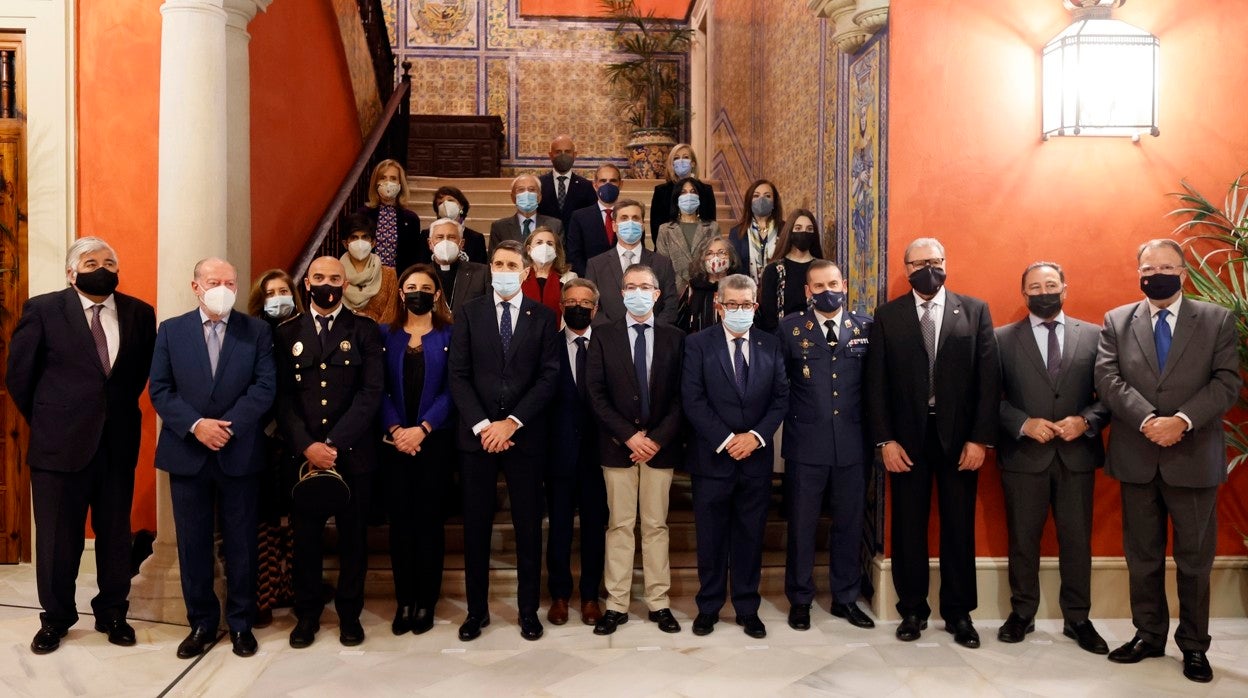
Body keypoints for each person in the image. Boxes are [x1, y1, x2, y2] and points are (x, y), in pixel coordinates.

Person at [1094, 239, 1240, 684]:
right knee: (1142, 555)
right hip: (1136, 455)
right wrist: (1147, 421)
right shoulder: (1118, 320)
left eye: (1165, 266)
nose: (1155, 273)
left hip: (1193, 456)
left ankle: (1195, 647)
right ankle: (1149, 634)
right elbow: (1107, 377)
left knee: (1195, 560)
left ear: (1184, 272)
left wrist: (1181, 420)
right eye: (1147, 266)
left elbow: (1227, 381)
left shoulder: (1216, 320)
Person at [6, 237, 156, 655]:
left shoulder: (140, 313)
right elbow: (19, 376)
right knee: (57, 539)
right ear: (72, 272)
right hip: (58, 447)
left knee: (114, 536)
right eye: (91, 261)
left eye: (109, 260)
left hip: (117, 445)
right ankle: (56, 618)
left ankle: (112, 612)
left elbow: (136, 375)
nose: (102, 267)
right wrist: (53, 419)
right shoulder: (43, 309)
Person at [865, 237, 999, 648]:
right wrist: (884, 440)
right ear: (906, 269)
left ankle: (959, 614)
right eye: (920, 262)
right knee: (908, 526)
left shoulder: (974, 311)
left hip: (960, 440)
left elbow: (988, 381)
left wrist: (981, 439)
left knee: (959, 526)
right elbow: (876, 384)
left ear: (946, 263)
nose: (929, 267)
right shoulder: (887, 316)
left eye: (936, 260)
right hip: (906, 440)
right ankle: (912, 609)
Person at [148, 257, 277, 659]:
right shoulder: (171, 331)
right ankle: (201, 623)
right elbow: (160, 389)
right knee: (193, 545)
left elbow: (264, 386)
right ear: (196, 286)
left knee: (241, 543)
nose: (223, 287)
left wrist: (228, 426)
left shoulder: (256, 331)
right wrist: (197, 425)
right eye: (214, 281)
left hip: (240, 453)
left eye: (230, 281)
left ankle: (241, 624)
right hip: (187, 453)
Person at [448, 240, 561, 642]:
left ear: (527, 270)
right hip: (476, 438)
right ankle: (476, 612)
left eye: (511, 263)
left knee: (528, 527)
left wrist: (511, 423)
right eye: (497, 263)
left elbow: (549, 376)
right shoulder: (468, 312)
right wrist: (484, 425)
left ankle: (528, 610)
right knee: (476, 528)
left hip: (524, 438)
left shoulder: (545, 317)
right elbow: (457, 374)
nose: (503, 269)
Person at [994, 261, 1110, 653]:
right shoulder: (1001, 339)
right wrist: (1023, 423)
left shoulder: (1096, 336)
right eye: (1035, 286)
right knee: (1022, 540)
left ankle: (1078, 618)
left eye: (1051, 284)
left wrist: (1085, 420)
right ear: (1023, 293)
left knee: (1076, 541)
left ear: (1065, 287)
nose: (1044, 292)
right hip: (1024, 455)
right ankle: (1022, 612)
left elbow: (1110, 397)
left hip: (1077, 455)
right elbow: (986, 400)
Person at [274, 256, 384, 649]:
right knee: (305, 542)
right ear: (307, 283)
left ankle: (350, 615)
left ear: (346, 284)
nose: (327, 284)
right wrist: (307, 445)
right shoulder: (287, 332)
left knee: (355, 540)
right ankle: (307, 616)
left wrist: (333, 444)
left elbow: (371, 394)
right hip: (303, 459)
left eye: (335, 278)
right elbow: (283, 398)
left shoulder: (365, 330)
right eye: (319, 277)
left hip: (352, 456)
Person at [681, 274, 788, 639]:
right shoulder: (697, 344)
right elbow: (692, 399)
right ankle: (708, 606)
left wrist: (755, 437)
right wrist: (727, 439)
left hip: (755, 460)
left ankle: (747, 607)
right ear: (718, 305)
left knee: (749, 536)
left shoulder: (771, 345)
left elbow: (780, 398)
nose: (739, 311)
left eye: (746, 305)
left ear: (756, 307)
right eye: (732, 304)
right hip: (712, 459)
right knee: (710, 538)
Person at [585, 265, 686, 636]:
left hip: (661, 445)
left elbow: (682, 395)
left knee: (656, 525)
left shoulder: (676, 337)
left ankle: (659, 603)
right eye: (631, 286)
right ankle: (616, 604)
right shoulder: (603, 336)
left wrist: (656, 438)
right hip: (618, 447)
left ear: (657, 294)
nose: (638, 292)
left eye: (645, 286)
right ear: (621, 293)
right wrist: (629, 436)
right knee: (620, 525)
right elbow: (595, 393)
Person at [778, 260, 875, 632]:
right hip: (806, 446)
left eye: (832, 283)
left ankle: (845, 597)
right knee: (802, 526)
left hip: (853, 445)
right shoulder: (790, 329)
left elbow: (874, 388)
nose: (826, 291)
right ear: (807, 291)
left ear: (845, 284)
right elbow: (780, 384)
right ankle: (800, 599)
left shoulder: (865, 327)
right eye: (817, 286)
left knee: (849, 525)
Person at [380, 264, 456, 636]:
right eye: (410, 287)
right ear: (400, 293)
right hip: (394, 444)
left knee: (429, 523)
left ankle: (426, 600)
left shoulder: (451, 334)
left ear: (437, 294)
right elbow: (377, 389)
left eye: (425, 287)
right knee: (401, 526)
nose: (417, 293)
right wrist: (396, 428)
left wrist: (422, 429)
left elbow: (453, 389)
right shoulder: (385, 335)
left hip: (434, 442)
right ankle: (404, 600)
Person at [544, 278, 609, 627]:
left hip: (599, 455)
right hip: (558, 454)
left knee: (595, 529)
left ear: (595, 308)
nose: (578, 307)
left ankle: (589, 596)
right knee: (559, 529)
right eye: (571, 301)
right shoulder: (547, 345)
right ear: (561, 305)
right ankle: (559, 595)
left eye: (585, 302)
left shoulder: (607, 345)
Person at [244, 269, 303, 628]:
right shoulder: (250, 333)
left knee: (296, 518)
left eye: (284, 290)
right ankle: (263, 596)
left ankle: (295, 587)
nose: (278, 297)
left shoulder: (302, 329)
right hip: (259, 438)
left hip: (295, 437)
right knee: (262, 520)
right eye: (271, 292)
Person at [584, 199, 678, 326]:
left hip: (653, 337)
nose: (630, 222)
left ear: (642, 225)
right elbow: (590, 304)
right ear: (614, 225)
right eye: (624, 218)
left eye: (635, 218)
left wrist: (653, 330)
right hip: (609, 339)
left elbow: (670, 305)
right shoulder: (596, 264)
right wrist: (611, 333)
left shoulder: (662, 263)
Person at [758, 209, 824, 332]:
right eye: (798, 228)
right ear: (789, 232)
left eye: (809, 229)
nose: (804, 232)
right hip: (782, 340)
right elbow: (768, 318)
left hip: (817, 339)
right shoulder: (773, 270)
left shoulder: (823, 269)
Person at [656, 175, 721, 297]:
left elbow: (716, 261)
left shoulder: (712, 227)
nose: (689, 196)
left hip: (706, 290)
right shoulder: (665, 229)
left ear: (699, 197)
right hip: (675, 292)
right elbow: (663, 267)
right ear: (677, 198)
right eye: (683, 192)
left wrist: (699, 282)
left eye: (693, 192)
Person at [356, 158, 422, 273]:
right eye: (383, 178)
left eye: (393, 178)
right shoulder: (363, 215)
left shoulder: (411, 219)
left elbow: (413, 256)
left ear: (400, 183)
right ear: (376, 183)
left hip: (398, 278)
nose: (388, 183)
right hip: (367, 279)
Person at [649, 144, 717, 243]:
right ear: (672, 164)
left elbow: (711, 225)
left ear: (693, 163)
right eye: (676, 158)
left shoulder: (705, 190)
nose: (681, 161)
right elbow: (656, 228)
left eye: (685, 157)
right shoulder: (661, 191)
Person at [339, 213, 398, 326]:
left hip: (377, 338)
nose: (360, 242)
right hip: (343, 337)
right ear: (345, 244)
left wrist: (370, 333)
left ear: (373, 243)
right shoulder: (336, 274)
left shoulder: (388, 274)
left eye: (365, 237)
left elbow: (391, 315)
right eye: (354, 237)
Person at [566, 164, 625, 276]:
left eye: (613, 181)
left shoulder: (630, 216)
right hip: (590, 281)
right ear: (595, 185)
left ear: (620, 184)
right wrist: (590, 278)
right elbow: (574, 255)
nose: (608, 185)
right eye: (603, 181)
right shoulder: (579, 217)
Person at [675, 235, 742, 334]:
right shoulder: (693, 287)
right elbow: (680, 323)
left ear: (731, 257)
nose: (715, 258)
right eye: (709, 253)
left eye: (721, 252)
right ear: (702, 259)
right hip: (699, 344)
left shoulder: (740, 286)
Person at [427, 217, 491, 318]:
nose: (445, 242)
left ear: (461, 244)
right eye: (440, 237)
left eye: (451, 237)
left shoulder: (482, 273)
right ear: (430, 244)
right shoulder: (420, 274)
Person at [728, 179, 784, 284]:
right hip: (746, 293)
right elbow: (733, 268)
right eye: (756, 196)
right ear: (749, 201)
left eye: (767, 196)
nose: (761, 199)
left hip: (779, 292)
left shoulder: (785, 229)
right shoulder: (737, 232)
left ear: (774, 202)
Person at [538, 134, 597, 230]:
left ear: (575, 155)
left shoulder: (586, 187)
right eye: (558, 152)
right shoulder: (539, 184)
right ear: (550, 155)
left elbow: (591, 219)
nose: (563, 155)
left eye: (567, 152)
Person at [491, 174, 564, 249]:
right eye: (521, 190)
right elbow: (494, 258)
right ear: (513, 197)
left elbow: (560, 257)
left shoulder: (555, 226)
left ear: (539, 197)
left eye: (532, 189)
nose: (527, 194)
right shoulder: (499, 227)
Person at [521, 225, 577, 323]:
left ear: (556, 250)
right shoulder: (519, 277)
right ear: (529, 250)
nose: (545, 247)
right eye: (539, 242)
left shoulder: (570, 278)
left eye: (550, 244)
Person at [420, 186, 487, 264]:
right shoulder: (426, 235)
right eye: (440, 203)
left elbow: (480, 268)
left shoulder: (476, 238)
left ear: (461, 206)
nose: (445, 204)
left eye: (450, 200)